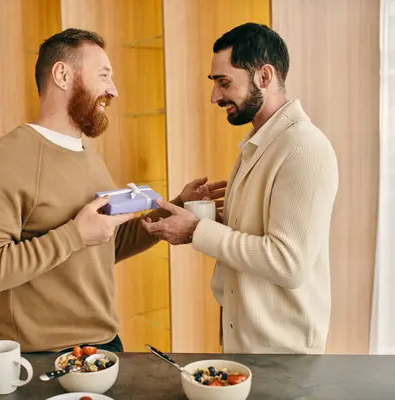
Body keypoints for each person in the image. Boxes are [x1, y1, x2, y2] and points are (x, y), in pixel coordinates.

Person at [0, 28, 226, 353]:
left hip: (106, 345)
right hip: (46, 357)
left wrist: (174, 207)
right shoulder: (4, 160)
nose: (113, 90)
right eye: (104, 75)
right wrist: (75, 234)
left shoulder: (88, 156)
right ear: (62, 75)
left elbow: (103, 247)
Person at [141, 23, 339, 354]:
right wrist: (205, 217)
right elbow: (253, 235)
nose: (215, 96)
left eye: (224, 82)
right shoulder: (257, 145)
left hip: (281, 356)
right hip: (244, 342)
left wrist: (197, 231)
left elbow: (288, 263)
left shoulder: (304, 148)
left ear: (265, 77)